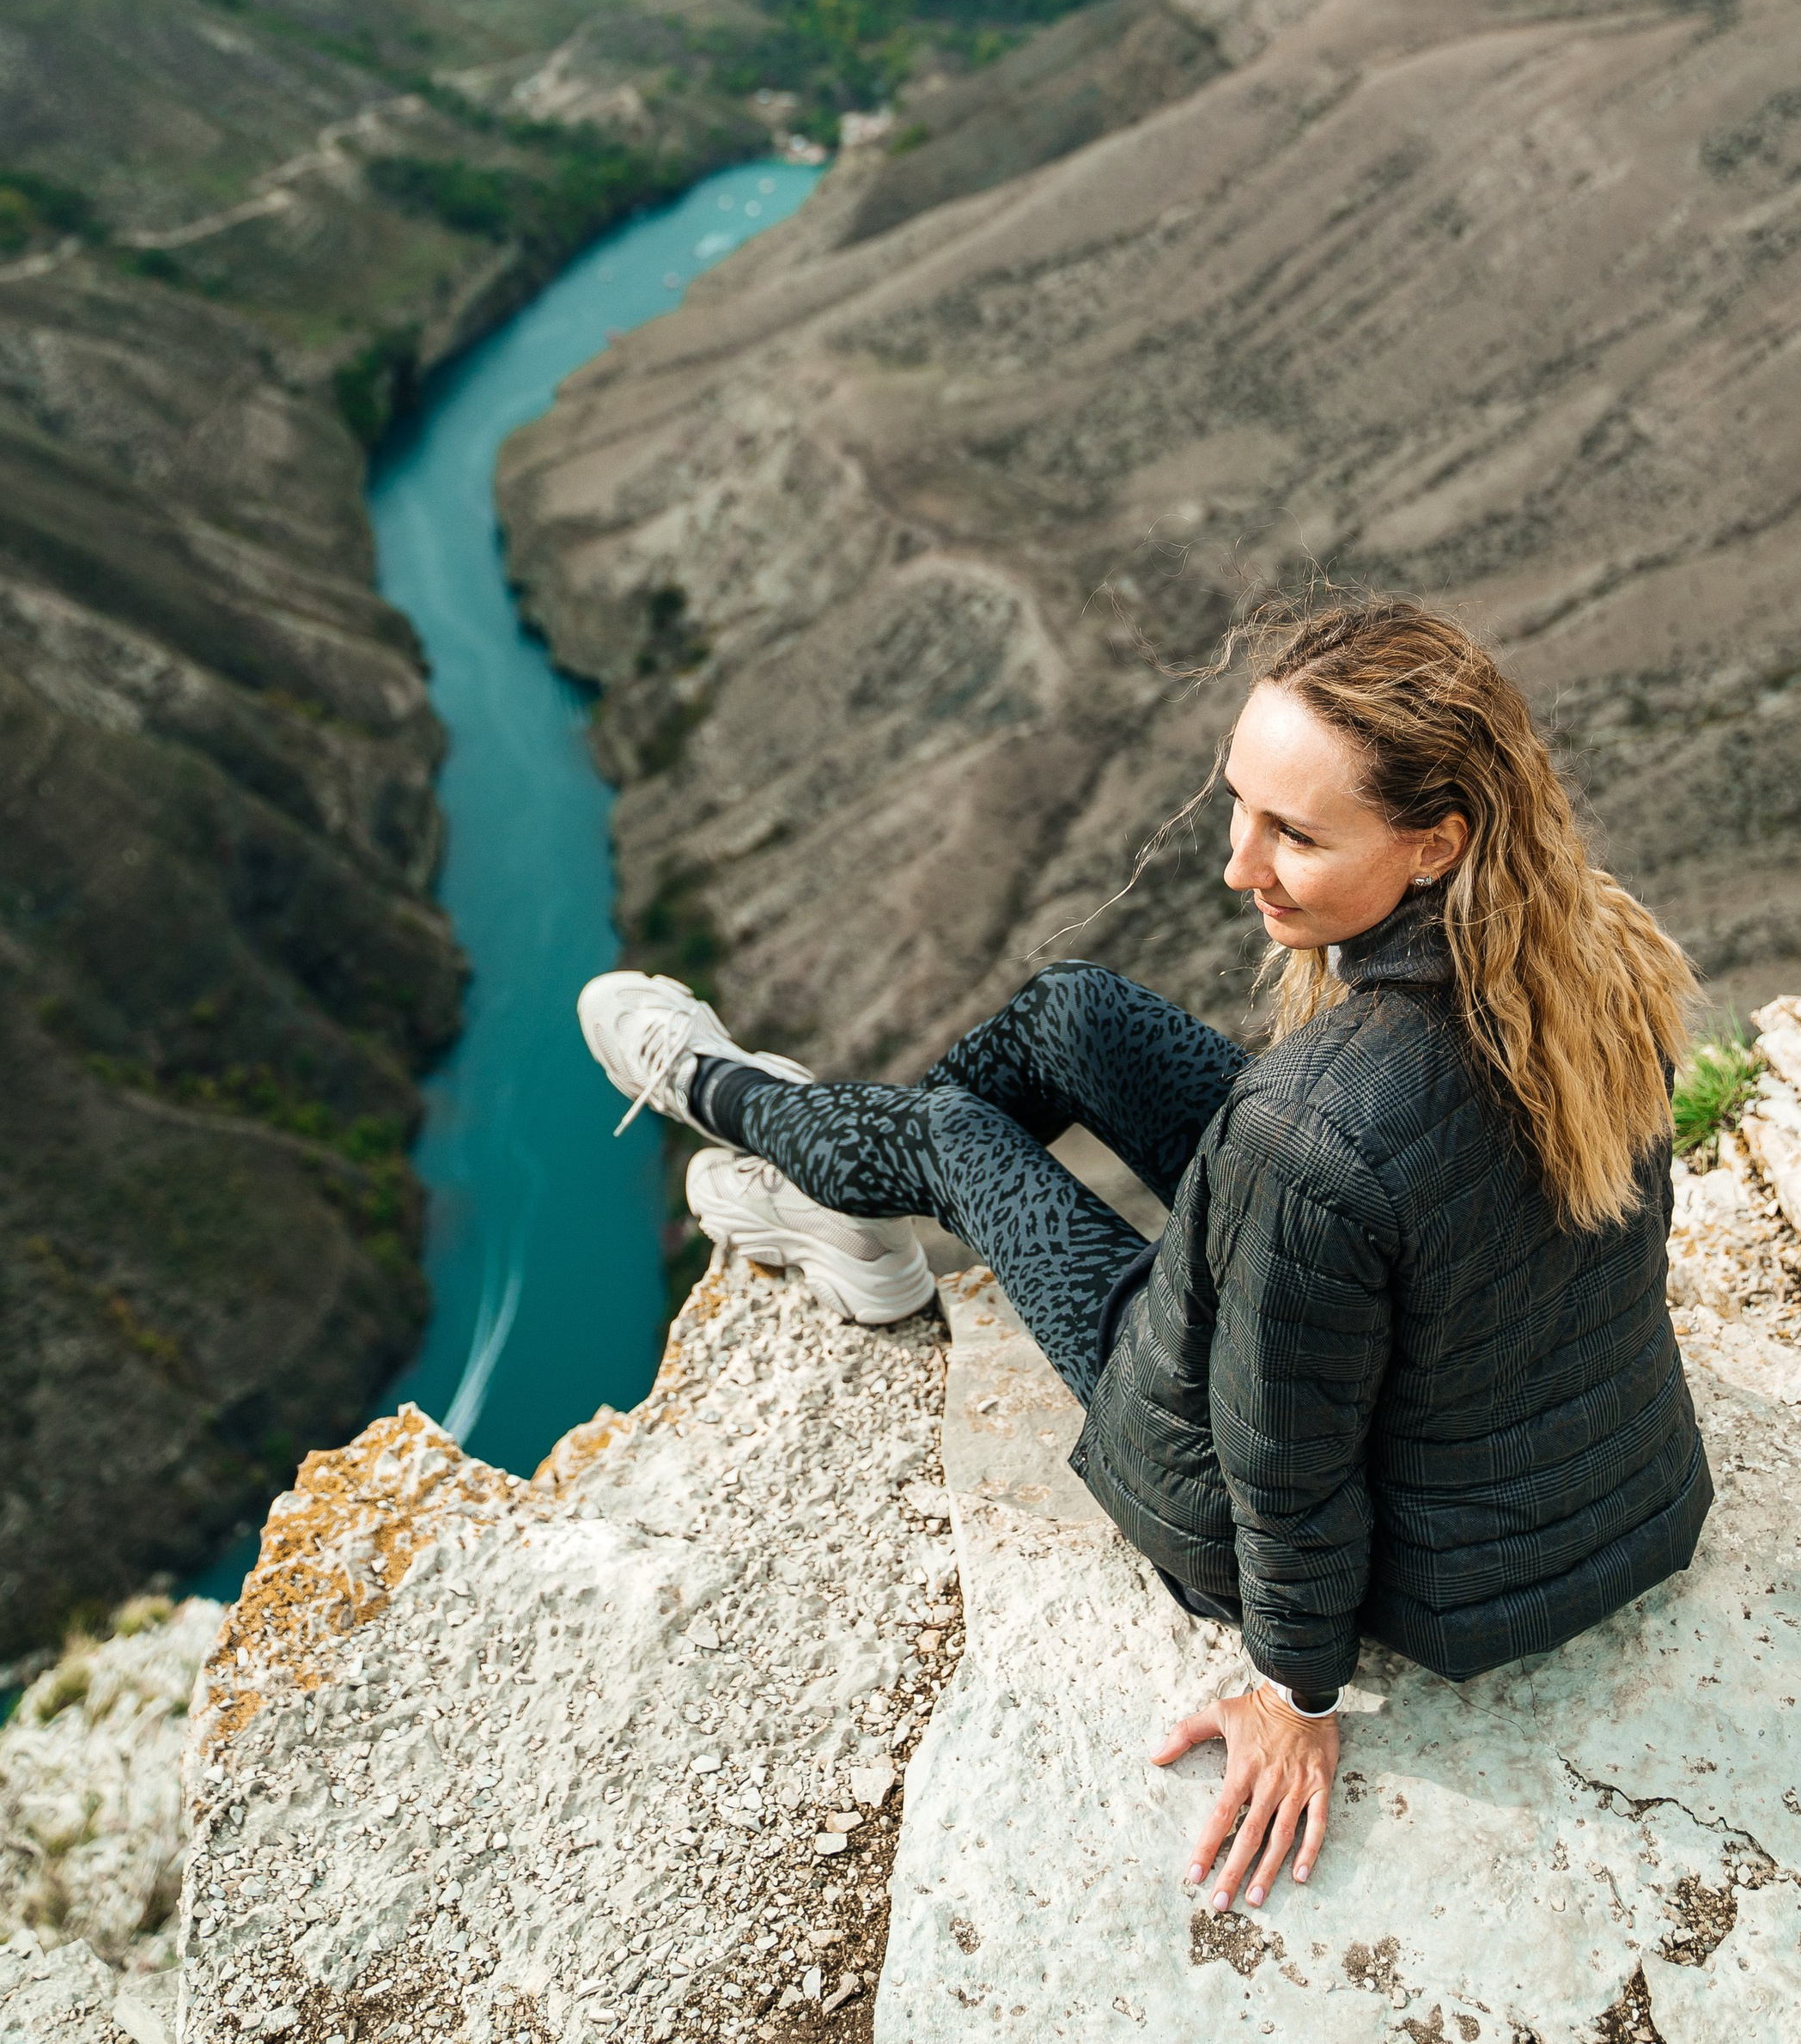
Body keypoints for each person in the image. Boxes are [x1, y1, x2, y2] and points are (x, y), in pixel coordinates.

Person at [577, 593, 1708, 1919]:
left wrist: (1295, 1695)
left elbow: (1280, 1455)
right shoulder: (1589, 953)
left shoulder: (1312, 1132)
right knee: (1075, 1013)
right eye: (1240, 806)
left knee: (952, 1132)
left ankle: (723, 1096)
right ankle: (851, 1212)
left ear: (1435, 843)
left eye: (1295, 833)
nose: (1240, 865)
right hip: (1598, 1491)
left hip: (1384, 1550)